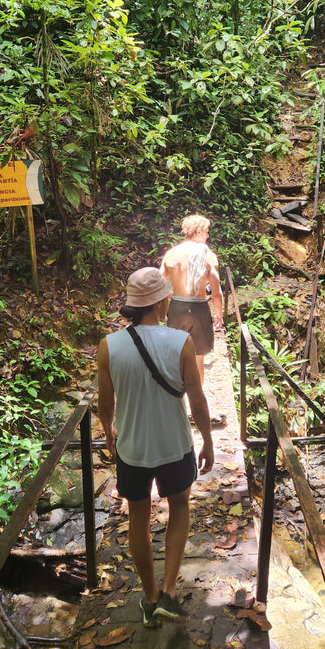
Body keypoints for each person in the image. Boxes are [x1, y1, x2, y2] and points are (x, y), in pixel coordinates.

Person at [97, 267, 214, 626]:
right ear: (160, 302)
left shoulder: (109, 346)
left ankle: (149, 598)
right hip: (174, 444)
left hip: (132, 448)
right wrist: (208, 440)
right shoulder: (180, 342)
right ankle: (168, 593)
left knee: (138, 517)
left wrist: (108, 432)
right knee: (179, 506)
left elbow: (105, 403)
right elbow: (196, 399)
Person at [160, 214, 223, 385]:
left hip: (177, 309)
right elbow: (216, 293)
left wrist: (171, 294)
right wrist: (219, 315)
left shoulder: (171, 254)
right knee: (197, 360)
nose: (208, 236)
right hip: (199, 310)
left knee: (176, 357)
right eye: (207, 231)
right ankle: (196, 405)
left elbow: (159, 283)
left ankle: (176, 402)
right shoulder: (207, 255)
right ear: (200, 231)